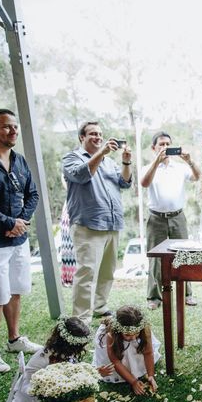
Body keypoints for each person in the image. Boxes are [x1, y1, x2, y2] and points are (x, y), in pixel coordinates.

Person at [0, 109, 41, 374]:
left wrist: (20, 222)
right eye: (6, 127)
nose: (13, 131)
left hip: (19, 239)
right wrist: (7, 222)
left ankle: (14, 339)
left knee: (16, 290)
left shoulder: (20, 160)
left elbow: (32, 194)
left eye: (15, 126)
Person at [62, 121, 132, 324]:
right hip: (88, 223)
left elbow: (124, 183)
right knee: (87, 272)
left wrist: (126, 162)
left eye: (100, 134)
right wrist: (101, 153)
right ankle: (81, 317)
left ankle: (100, 306)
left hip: (112, 223)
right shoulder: (72, 158)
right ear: (81, 137)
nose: (98, 137)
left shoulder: (110, 162)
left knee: (107, 271)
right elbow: (81, 175)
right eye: (92, 133)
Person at [3, 316, 113, 402]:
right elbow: (62, 378)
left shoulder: (63, 350)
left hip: (57, 381)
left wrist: (94, 372)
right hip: (37, 389)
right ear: (69, 344)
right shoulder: (48, 358)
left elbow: (71, 371)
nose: (82, 349)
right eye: (80, 346)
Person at [140, 131, 201, 310]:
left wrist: (189, 160)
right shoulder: (148, 167)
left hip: (178, 217)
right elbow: (144, 183)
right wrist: (156, 162)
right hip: (156, 218)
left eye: (168, 144)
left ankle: (187, 294)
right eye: (161, 144)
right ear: (154, 148)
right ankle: (154, 297)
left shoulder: (180, 168)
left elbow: (198, 176)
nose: (165, 147)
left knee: (184, 254)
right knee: (155, 258)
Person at [93, 305, 161, 395]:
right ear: (119, 330)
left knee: (138, 346)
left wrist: (150, 375)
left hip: (129, 340)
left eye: (136, 333)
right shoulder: (111, 334)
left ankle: (135, 364)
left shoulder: (144, 329)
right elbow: (115, 361)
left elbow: (148, 353)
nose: (133, 338)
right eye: (128, 335)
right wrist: (133, 382)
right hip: (116, 345)